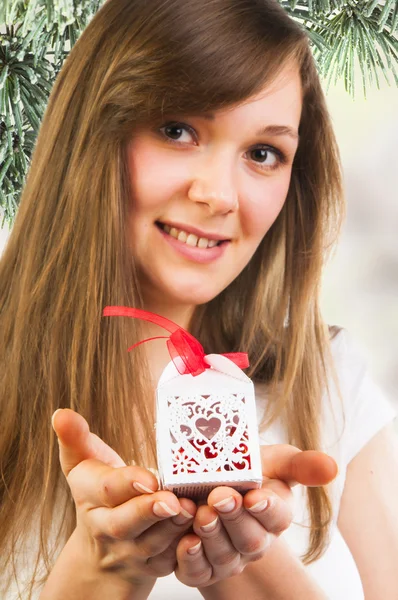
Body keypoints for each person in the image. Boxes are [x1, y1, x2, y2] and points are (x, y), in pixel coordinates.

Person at [0, 0, 397, 598]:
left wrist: (250, 561)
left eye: (263, 153)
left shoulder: (331, 383)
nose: (218, 196)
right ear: (92, 132)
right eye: (177, 130)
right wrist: (98, 575)